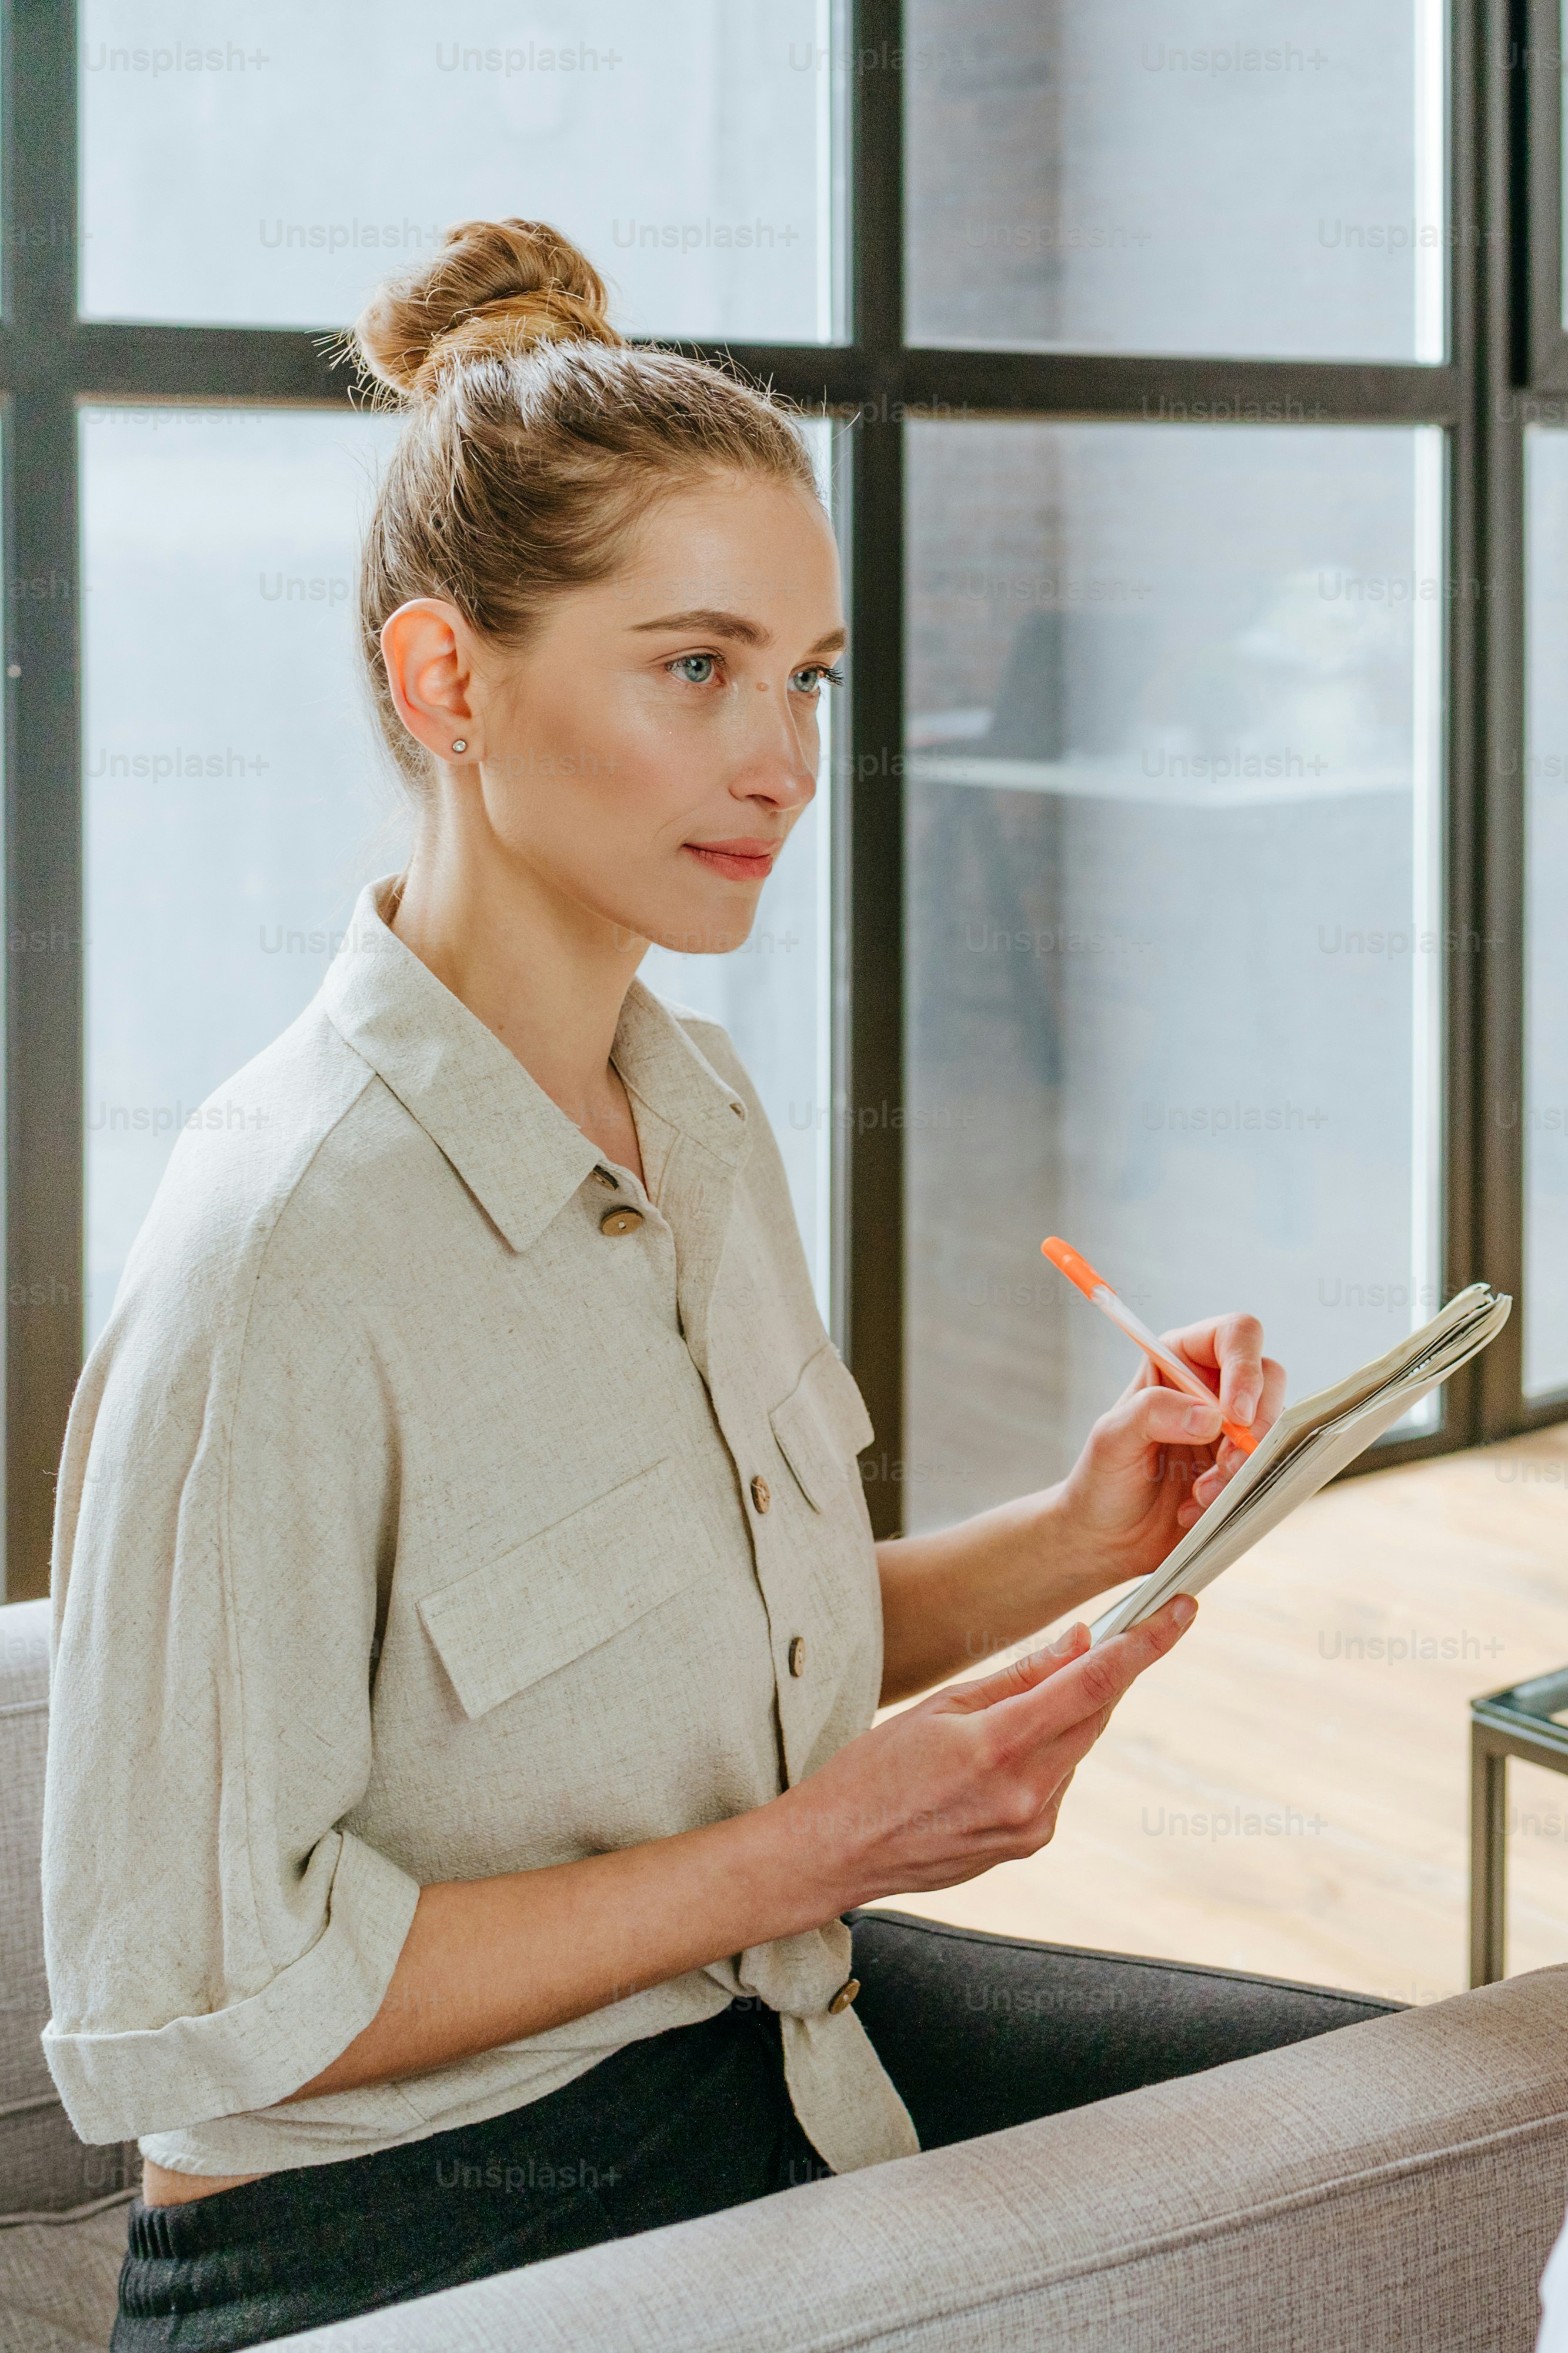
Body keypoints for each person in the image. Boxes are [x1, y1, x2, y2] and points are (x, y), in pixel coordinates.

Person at [41, 221, 1398, 2352]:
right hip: (396, 2226)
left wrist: (1077, 1538)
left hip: (762, 2022)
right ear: (443, 682)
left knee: (1429, 2131)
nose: (779, 757)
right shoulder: (281, 1243)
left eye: (809, 676)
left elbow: (731, 1657)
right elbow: (200, 2021)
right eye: (694, 668)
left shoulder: (700, 1121)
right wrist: (811, 1853)